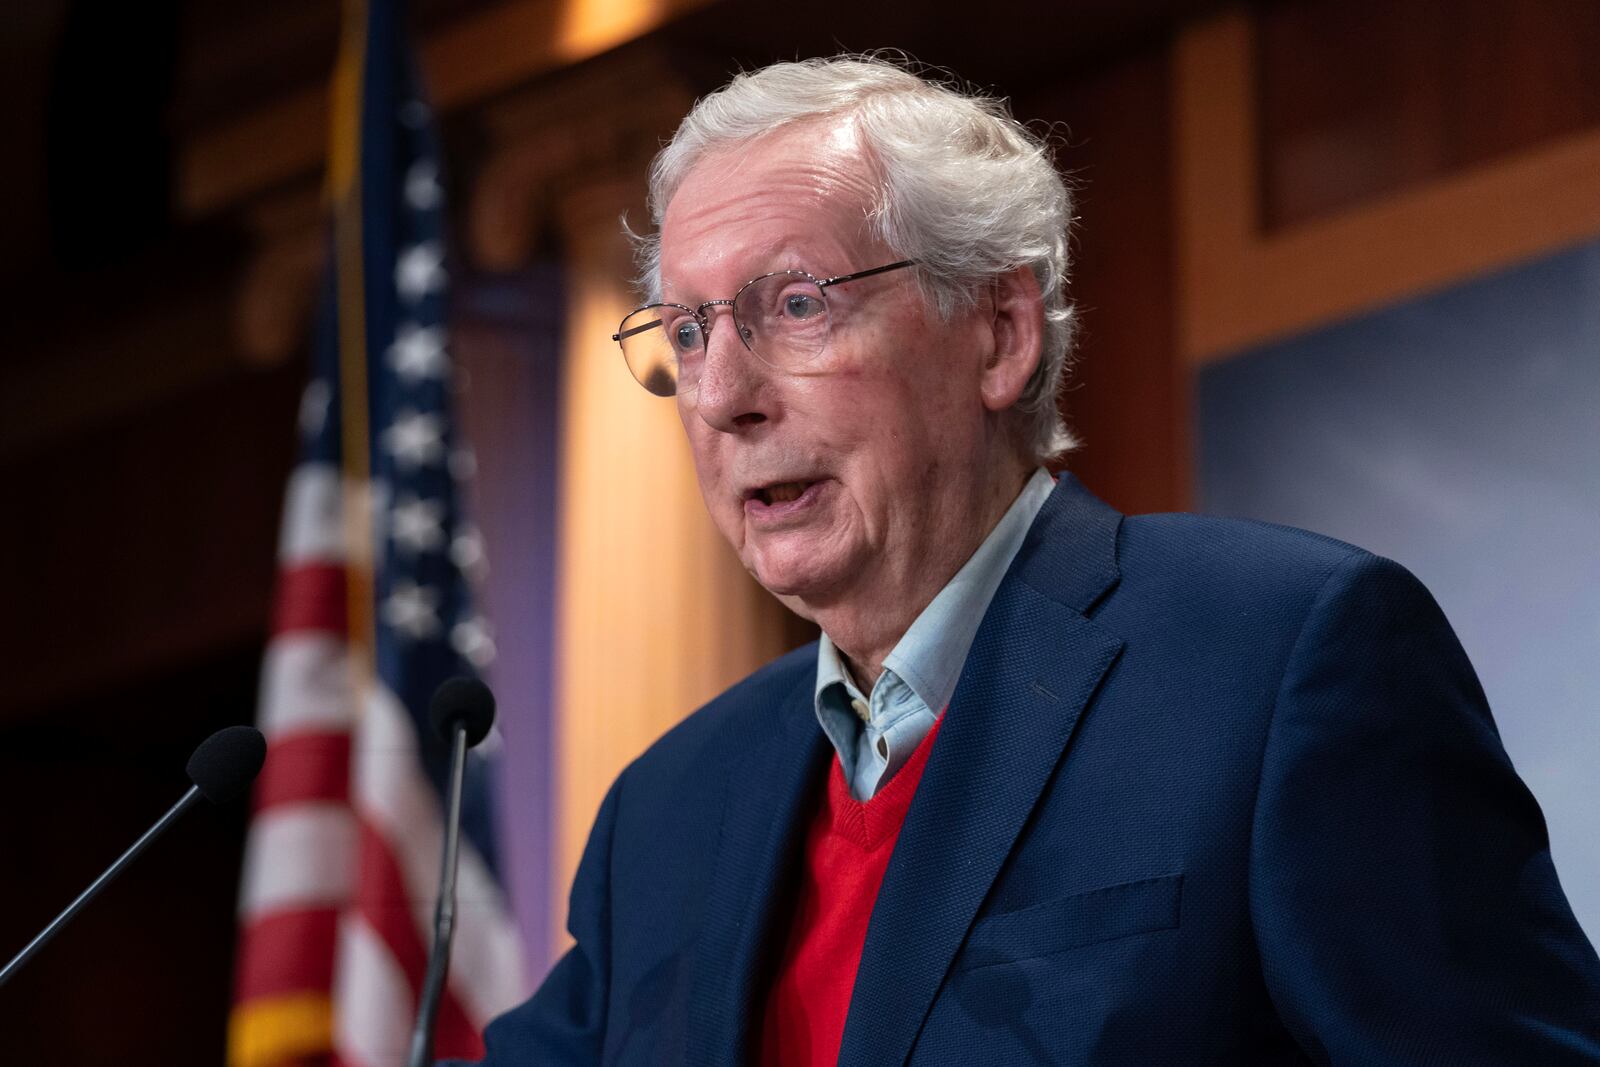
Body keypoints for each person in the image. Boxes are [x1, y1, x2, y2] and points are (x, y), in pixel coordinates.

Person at [464, 56, 1600, 1064]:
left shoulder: (1279, 662)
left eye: (797, 305)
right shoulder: (670, 804)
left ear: (1000, 333)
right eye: (687, 331)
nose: (720, 396)